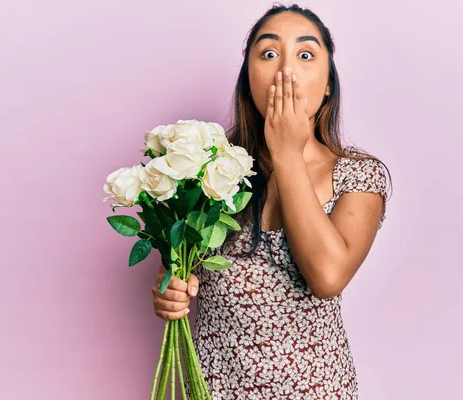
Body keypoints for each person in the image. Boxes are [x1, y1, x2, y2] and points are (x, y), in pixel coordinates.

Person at [151, 4, 392, 399]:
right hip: (214, 387)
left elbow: (328, 278)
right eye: (268, 54)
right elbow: (178, 270)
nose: (286, 71)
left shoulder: (360, 176)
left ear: (328, 83)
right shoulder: (203, 168)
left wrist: (287, 153)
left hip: (315, 390)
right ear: (248, 79)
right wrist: (169, 292)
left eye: (306, 54)